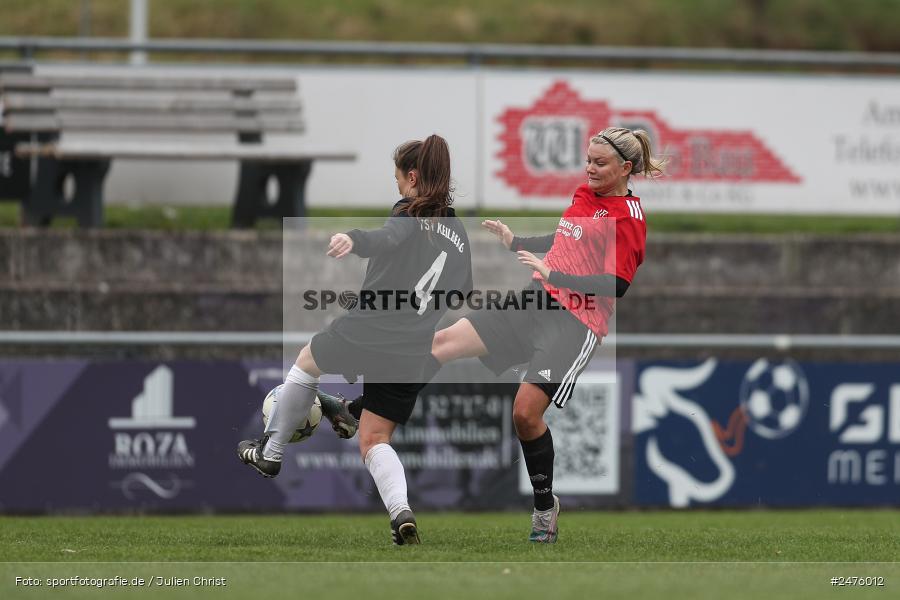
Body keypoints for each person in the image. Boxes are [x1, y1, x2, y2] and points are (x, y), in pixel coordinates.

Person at [345, 126, 662, 543]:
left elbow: (617, 284)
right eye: (587, 160)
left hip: (576, 322)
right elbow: (567, 238)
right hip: (534, 302)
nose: (589, 168)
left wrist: (556, 275)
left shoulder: (629, 219)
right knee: (440, 343)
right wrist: (518, 242)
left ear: (625, 168)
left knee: (525, 415)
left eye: (599, 163)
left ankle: (545, 508)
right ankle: (362, 408)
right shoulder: (585, 195)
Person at [237, 134, 472, 546]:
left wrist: (354, 239)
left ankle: (270, 454)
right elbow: (463, 290)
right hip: (412, 346)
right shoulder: (458, 231)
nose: (397, 186)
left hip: (372, 327)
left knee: (306, 361)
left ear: (412, 177)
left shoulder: (409, 212)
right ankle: (401, 513)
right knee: (375, 439)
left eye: (398, 178)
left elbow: (388, 238)